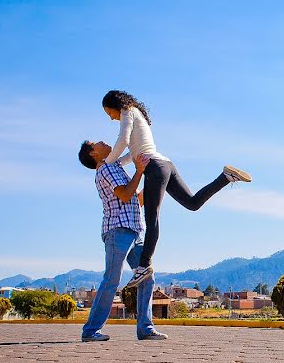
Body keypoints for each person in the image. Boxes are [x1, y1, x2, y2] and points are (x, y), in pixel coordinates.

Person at [101, 90, 251, 289]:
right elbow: (133, 152)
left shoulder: (128, 111)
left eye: (109, 112)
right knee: (192, 203)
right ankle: (225, 177)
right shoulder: (137, 113)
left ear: (114, 105)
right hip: (165, 164)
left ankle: (144, 265)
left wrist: (108, 163)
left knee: (151, 218)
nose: (111, 117)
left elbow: (122, 141)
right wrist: (118, 163)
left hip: (154, 167)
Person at [77, 139, 168, 341]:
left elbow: (137, 199)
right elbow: (126, 195)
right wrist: (139, 170)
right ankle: (90, 331)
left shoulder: (116, 167)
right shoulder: (105, 170)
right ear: (93, 154)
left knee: (146, 276)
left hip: (135, 231)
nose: (103, 141)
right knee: (112, 279)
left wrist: (157, 179)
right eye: (96, 143)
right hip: (118, 231)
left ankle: (145, 328)